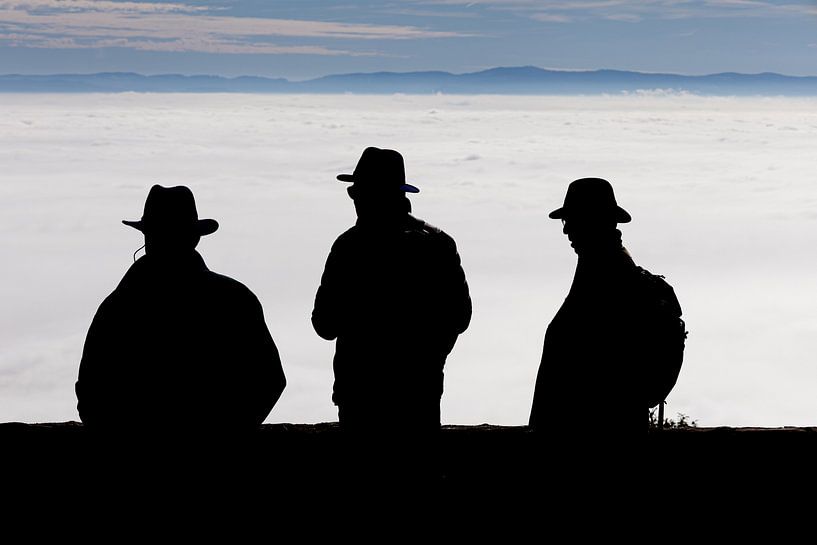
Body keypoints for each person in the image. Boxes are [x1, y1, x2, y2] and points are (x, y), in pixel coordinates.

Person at [75, 185, 285, 432]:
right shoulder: (235, 299)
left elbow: (91, 392)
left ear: (147, 237)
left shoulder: (118, 307)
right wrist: (229, 434)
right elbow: (269, 380)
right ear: (195, 237)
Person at [312, 147, 472, 432]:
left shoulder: (349, 247)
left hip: (360, 397)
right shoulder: (438, 244)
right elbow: (460, 317)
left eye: (356, 191)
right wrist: (428, 358)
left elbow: (324, 325)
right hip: (420, 394)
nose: (354, 199)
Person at [529, 177, 646, 436]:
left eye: (570, 220)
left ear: (591, 219)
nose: (565, 230)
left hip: (593, 436)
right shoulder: (604, 264)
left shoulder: (607, 271)